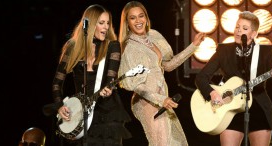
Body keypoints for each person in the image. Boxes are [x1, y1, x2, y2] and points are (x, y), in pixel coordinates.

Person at [117, 1, 205, 146]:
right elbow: (137, 86)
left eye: (141, 16)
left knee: (171, 142)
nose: (138, 21)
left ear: (146, 18)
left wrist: (193, 46)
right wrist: (159, 99)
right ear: (127, 23)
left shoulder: (153, 36)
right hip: (146, 101)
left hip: (162, 98)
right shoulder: (130, 48)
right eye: (133, 18)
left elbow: (169, 65)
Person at [195, 11, 272, 146]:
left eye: (244, 28)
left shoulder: (265, 53)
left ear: (253, 34)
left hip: (258, 107)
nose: (238, 31)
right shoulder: (224, 50)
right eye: (237, 27)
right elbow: (201, 77)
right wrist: (212, 93)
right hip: (230, 108)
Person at [51, 4, 131, 146]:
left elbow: (110, 79)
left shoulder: (112, 46)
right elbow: (57, 82)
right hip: (79, 115)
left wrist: (108, 89)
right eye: (101, 23)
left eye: (108, 23)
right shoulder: (72, 47)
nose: (106, 27)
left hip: (107, 114)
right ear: (90, 24)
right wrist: (59, 105)